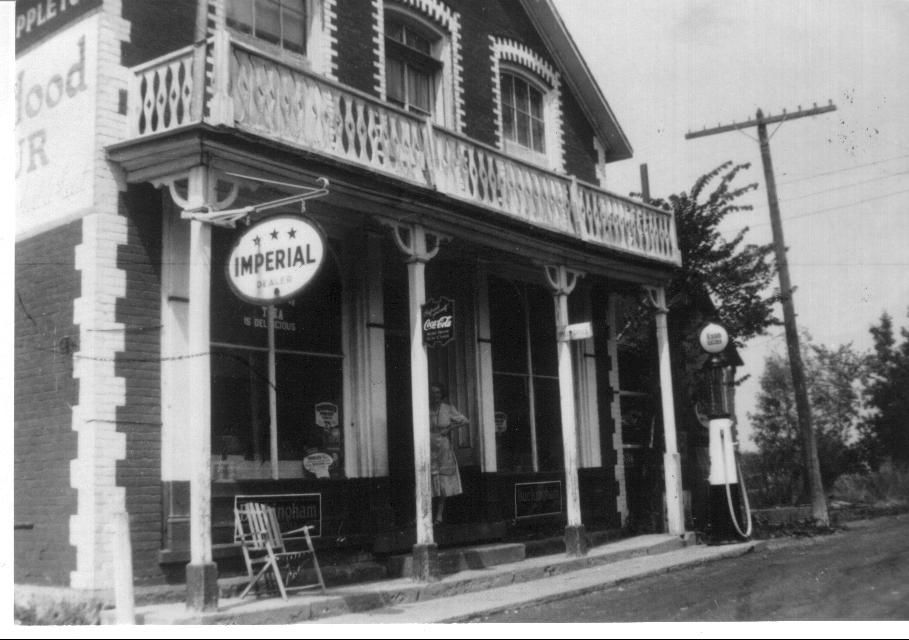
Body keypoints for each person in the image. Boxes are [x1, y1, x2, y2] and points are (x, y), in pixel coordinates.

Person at [429, 382, 468, 524]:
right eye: (433, 393)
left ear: (442, 394)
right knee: (429, 478)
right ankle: (427, 514)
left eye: (438, 393)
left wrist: (450, 428)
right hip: (428, 445)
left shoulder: (448, 408)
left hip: (443, 446)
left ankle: (439, 515)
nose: (435, 396)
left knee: (443, 479)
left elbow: (464, 420)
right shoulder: (425, 408)